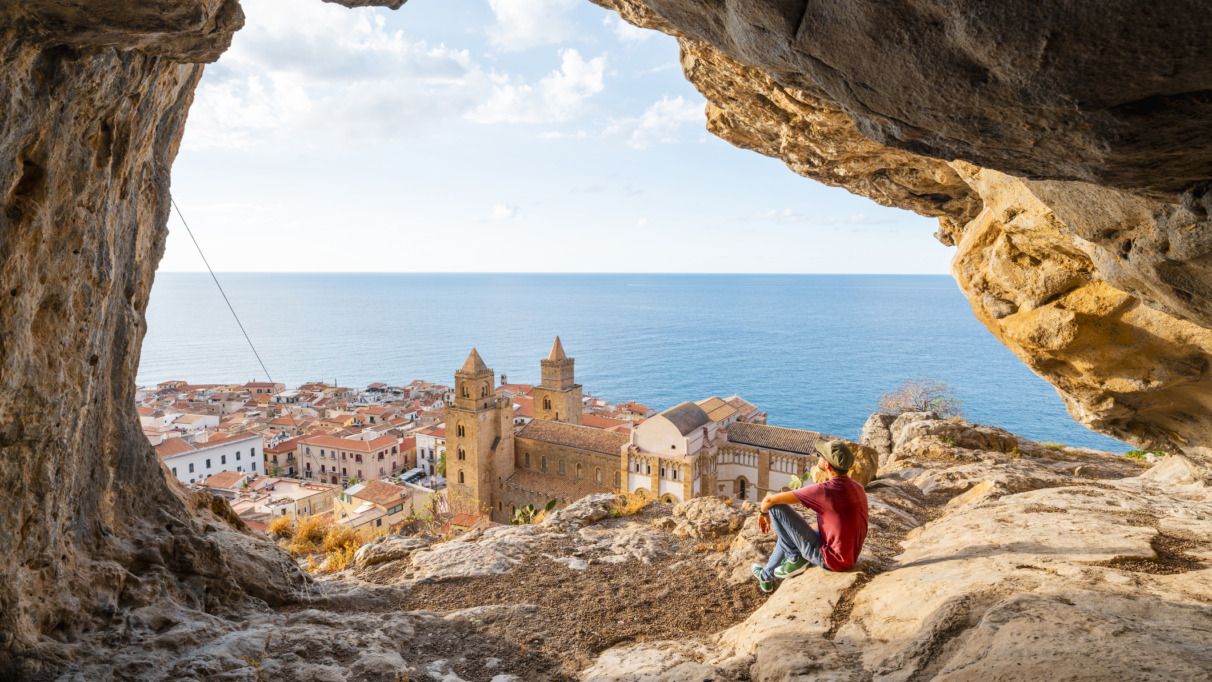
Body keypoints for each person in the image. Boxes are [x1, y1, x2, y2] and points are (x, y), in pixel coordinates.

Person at [751, 439, 869, 593]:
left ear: (827, 465)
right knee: (789, 531)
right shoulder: (858, 487)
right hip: (849, 556)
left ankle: (794, 558)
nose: (818, 456)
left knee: (776, 507)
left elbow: (769, 500)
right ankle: (766, 575)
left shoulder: (826, 490)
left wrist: (763, 513)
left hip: (831, 560)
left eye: (820, 454)